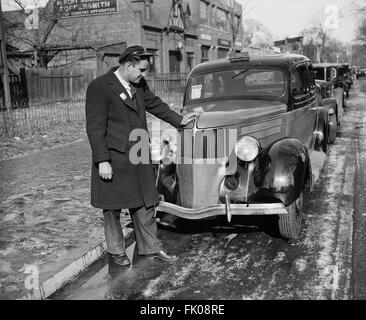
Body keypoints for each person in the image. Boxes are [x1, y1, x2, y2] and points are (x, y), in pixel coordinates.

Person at [85, 45, 196, 266]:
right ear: (128, 66)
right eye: (141, 70)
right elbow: (95, 128)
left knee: (145, 205)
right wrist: (102, 161)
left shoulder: (138, 84)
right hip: (114, 158)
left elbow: (154, 104)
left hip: (138, 155)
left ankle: (151, 248)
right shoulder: (100, 87)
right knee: (112, 209)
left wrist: (179, 120)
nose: (144, 75)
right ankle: (117, 252)